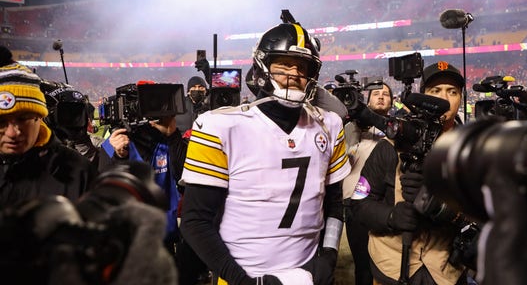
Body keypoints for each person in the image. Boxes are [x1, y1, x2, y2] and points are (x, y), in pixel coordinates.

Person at [180, 20, 351, 285]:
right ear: (262, 65)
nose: (294, 74)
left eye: (302, 67)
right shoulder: (220, 126)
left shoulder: (329, 125)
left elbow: (334, 205)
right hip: (241, 272)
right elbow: (195, 221)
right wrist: (241, 280)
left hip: (306, 272)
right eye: (283, 64)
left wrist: (328, 255)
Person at [350, 61, 468, 285]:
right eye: (435, 91)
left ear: (461, 97)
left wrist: (442, 208)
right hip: (392, 268)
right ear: (421, 96)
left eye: (452, 91)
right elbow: (359, 203)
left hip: (446, 271)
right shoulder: (389, 146)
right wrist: (391, 217)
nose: (444, 98)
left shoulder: (472, 151)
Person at [98, 86, 187, 254]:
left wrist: (172, 133)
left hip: (163, 237)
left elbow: (184, 176)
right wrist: (119, 156)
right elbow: (106, 189)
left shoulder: (168, 141)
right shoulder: (114, 144)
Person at [0, 60, 97, 208]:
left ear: (40, 118)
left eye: (23, 118)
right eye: (2, 121)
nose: (13, 132)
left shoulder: (78, 170)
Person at [343, 82, 394, 285]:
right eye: (376, 94)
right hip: (355, 203)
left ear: (392, 101)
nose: (381, 97)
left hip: (386, 204)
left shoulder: (398, 128)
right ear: (366, 99)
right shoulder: (350, 127)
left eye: (386, 94)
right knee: (363, 267)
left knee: (387, 265)